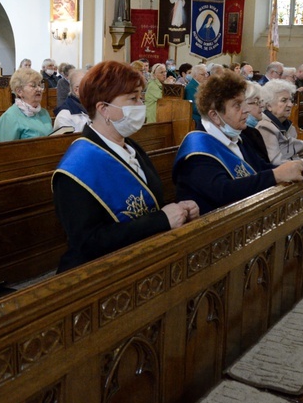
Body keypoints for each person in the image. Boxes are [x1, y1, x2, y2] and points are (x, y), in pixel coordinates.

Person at [52, 60, 199, 272]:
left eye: (141, 97)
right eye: (132, 99)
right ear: (103, 109)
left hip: (142, 259)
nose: (141, 106)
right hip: (99, 276)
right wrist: (161, 221)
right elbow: (88, 243)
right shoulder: (76, 167)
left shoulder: (130, 146)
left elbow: (151, 203)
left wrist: (180, 210)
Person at [173, 71, 303, 216]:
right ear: (214, 115)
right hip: (212, 228)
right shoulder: (197, 150)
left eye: (244, 102)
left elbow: (260, 167)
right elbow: (223, 192)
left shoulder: (239, 136)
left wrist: (296, 166)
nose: (246, 110)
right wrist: (275, 175)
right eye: (237, 105)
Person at [257, 79, 303, 165]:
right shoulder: (265, 127)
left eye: (290, 100)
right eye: (284, 100)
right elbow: (276, 162)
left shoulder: (287, 125)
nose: (290, 104)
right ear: (269, 105)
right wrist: (302, 167)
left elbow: (301, 155)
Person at [0, 67, 53, 141]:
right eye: (33, 85)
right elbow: (6, 150)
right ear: (19, 91)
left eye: (40, 85)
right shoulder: (9, 117)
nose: (39, 89)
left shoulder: (44, 113)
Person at [185, 64, 208, 129]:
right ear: (195, 75)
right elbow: (194, 107)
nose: (205, 76)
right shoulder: (191, 87)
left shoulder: (201, 85)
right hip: (196, 120)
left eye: (206, 74)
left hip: (202, 118)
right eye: (202, 74)